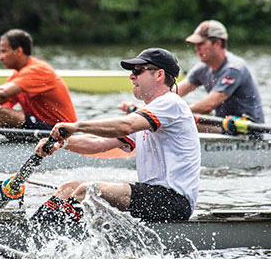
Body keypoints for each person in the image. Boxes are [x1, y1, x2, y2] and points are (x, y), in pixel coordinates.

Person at [32, 48, 200, 223]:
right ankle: (36, 229)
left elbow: (125, 126)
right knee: (68, 188)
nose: (131, 76)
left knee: (88, 190)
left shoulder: (171, 103)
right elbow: (100, 144)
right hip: (152, 195)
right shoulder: (150, 113)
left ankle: (62, 236)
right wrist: (63, 143)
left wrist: (77, 126)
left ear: (159, 75)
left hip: (174, 201)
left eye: (138, 70)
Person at [120, 20, 264, 134]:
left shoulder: (234, 68)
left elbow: (209, 105)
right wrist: (144, 109)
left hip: (247, 129)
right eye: (195, 44)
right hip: (222, 125)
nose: (196, 48)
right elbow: (172, 92)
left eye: (201, 44)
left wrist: (170, 113)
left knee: (179, 120)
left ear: (218, 43)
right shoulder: (202, 68)